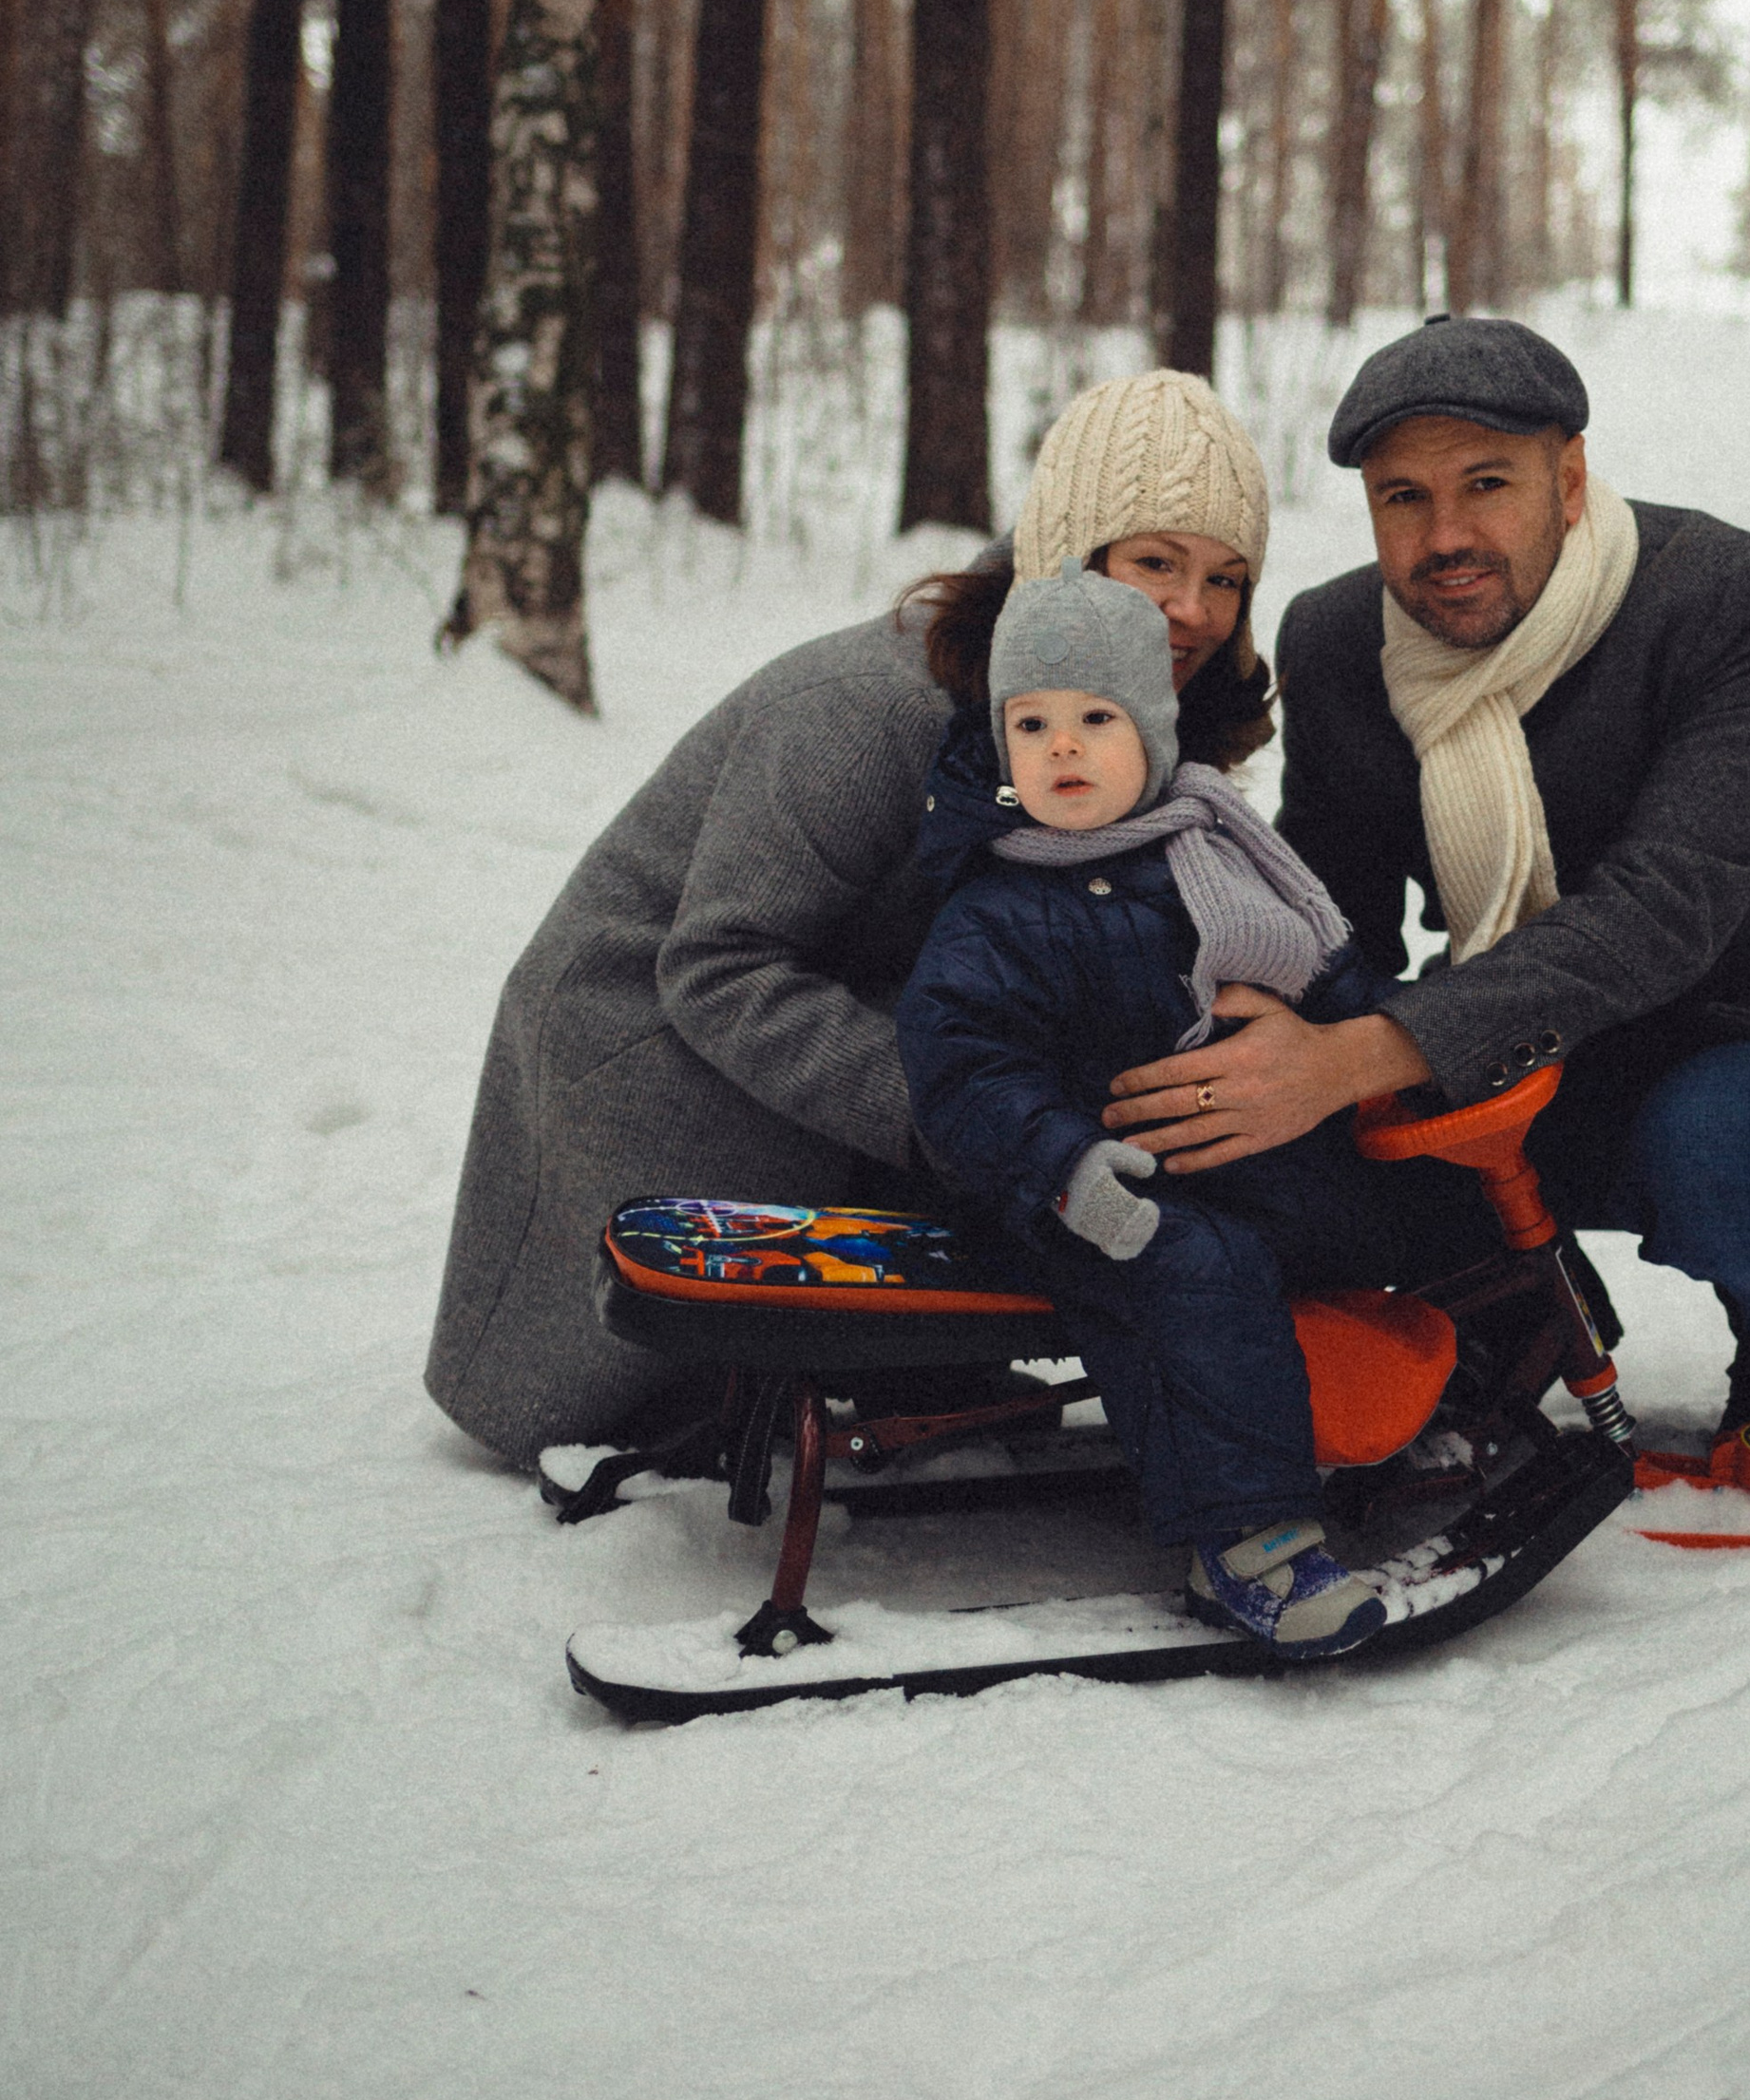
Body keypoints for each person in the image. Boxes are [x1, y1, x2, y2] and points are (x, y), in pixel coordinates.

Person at [425, 370, 1273, 1470]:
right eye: (1156, 562)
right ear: (1067, 548)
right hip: (650, 1049)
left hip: (861, 1014)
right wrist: (967, 1115)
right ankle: (725, 1376)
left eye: (1225, 578)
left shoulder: (1142, 705)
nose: (1194, 609)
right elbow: (719, 966)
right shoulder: (873, 704)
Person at [1101, 313, 1750, 1441]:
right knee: (1284, 1132)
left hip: (1739, 1026)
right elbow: (1332, 914)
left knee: (1724, 1154)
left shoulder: (1734, 600)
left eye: (1487, 484)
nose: (1446, 537)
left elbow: (1664, 908)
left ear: (1567, 481)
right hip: (1496, 1036)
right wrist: (1247, 1039)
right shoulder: (1339, 638)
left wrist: (1354, 1057)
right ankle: (1510, 1318)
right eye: (1403, 497)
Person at [896, 560, 1398, 1657]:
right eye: (1031, 725)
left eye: (1096, 718)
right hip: (1075, 1193)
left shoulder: (1215, 855)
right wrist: (1065, 1166)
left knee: (1402, 1202)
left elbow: (1331, 978)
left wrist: (1374, 1048)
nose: (1061, 749)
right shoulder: (996, 901)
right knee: (1194, 1265)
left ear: (1156, 733)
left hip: (1230, 1151)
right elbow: (962, 1068)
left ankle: (1471, 1388)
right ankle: (1249, 1546)